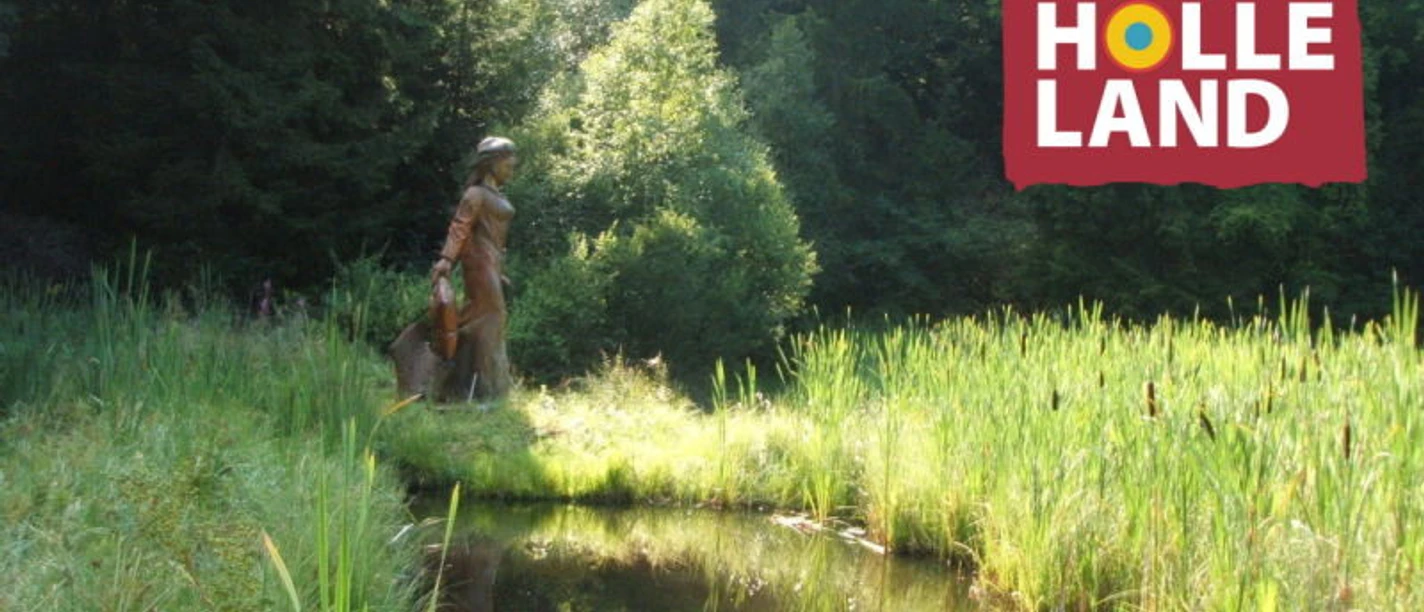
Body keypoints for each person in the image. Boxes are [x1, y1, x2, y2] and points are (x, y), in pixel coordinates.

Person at [428, 136, 518, 401]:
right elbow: (459, 227)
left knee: (486, 320)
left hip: (490, 264)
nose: (512, 167)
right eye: (507, 162)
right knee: (490, 319)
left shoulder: (494, 195)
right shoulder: (476, 194)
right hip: (478, 265)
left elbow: (492, 237)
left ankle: (466, 384)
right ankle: (476, 388)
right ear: (491, 164)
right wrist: (446, 259)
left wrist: (497, 270)